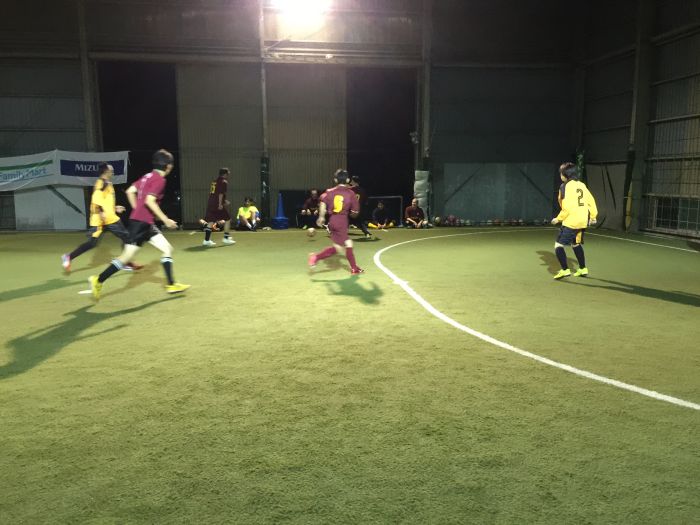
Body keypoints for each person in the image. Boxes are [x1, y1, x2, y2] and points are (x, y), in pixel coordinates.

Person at [88, 149, 190, 299]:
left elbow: (130, 191)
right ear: (168, 166)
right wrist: (166, 220)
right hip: (141, 224)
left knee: (167, 249)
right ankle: (98, 280)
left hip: (144, 223)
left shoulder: (147, 176)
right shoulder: (160, 180)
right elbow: (150, 201)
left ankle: (171, 284)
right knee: (125, 257)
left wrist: (137, 210)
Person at [61, 163, 142, 272]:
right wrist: (101, 211)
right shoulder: (102, 183)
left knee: (93, 243)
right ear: (105, 171)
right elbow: (96, 198)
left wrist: (114, 208)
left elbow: (105, 201)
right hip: (104, 219)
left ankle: (68, 257)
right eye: (111, 169)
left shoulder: (107, 183)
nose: (112, 171)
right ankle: (125, 262)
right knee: (127, 238)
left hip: (107, 218)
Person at [308, 169, 364, 274]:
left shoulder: (329, 191)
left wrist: (321, 217)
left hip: (333, 220)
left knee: (347, 244)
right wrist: (353, 213)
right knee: (340, 247)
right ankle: (315, 257)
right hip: (342, 221)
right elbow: (355, 212)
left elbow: (323, 202)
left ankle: (354, 268)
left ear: (335, 180)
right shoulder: (351, 193)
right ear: (347, 180)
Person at [550, 162, 598, 280]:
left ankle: (565, 270)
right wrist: (593, 216)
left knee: (558, 245)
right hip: (582, 221)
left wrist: (558, 219)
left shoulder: (564, 186)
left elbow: (566, 207)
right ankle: (583, 268)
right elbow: (591, 201)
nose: (560, 176)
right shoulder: (582, 185)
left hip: (571, 221)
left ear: (565, 175)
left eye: (561, 173)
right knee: (575, 243)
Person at [201, 167, 235, 247]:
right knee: (228, 219)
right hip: (217, 205)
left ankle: (206, 240)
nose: (228, 175)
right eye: (228, 174)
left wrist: (224, 201)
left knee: (211, 221)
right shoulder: (224, 182)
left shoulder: (214, 181)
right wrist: (220, 204)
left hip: (211, 203)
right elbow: (220, 194)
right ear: (225, 174)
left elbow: (214, 193)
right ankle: (226, 238)